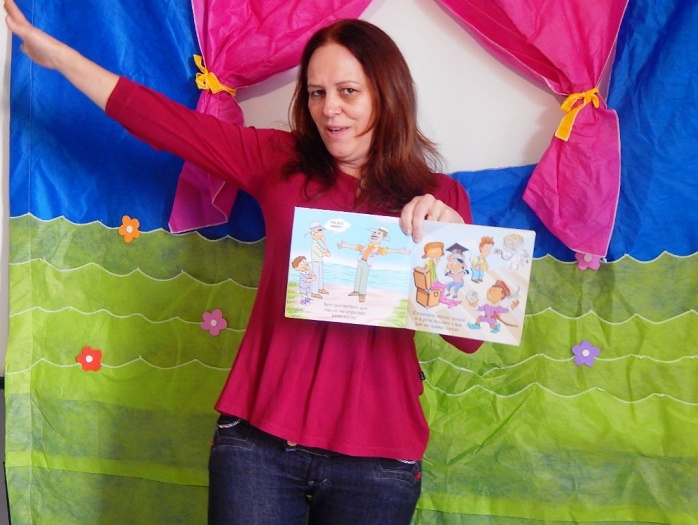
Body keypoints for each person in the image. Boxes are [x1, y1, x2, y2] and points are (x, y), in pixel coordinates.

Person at [4, 1, 482, 523]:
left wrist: (448, 240)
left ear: (387, 95)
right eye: (317, 93)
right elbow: (164, 123)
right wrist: (61, 58)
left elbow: (469, 338)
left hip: (379, 462)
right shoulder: (279, 161)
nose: (329, 109)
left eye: (348, 91)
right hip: (258, 447)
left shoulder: (439, 197)